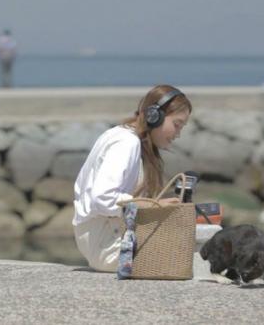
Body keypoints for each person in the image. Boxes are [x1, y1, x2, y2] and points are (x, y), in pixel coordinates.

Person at [72, 84, 192, 272]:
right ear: (155, 116)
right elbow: (102, 198)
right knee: (189, 256)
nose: (178, 134)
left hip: (104, 237)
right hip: (106, 245)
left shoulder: (124, 136)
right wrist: (151, 205)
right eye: (177, 125)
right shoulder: (126, 143)